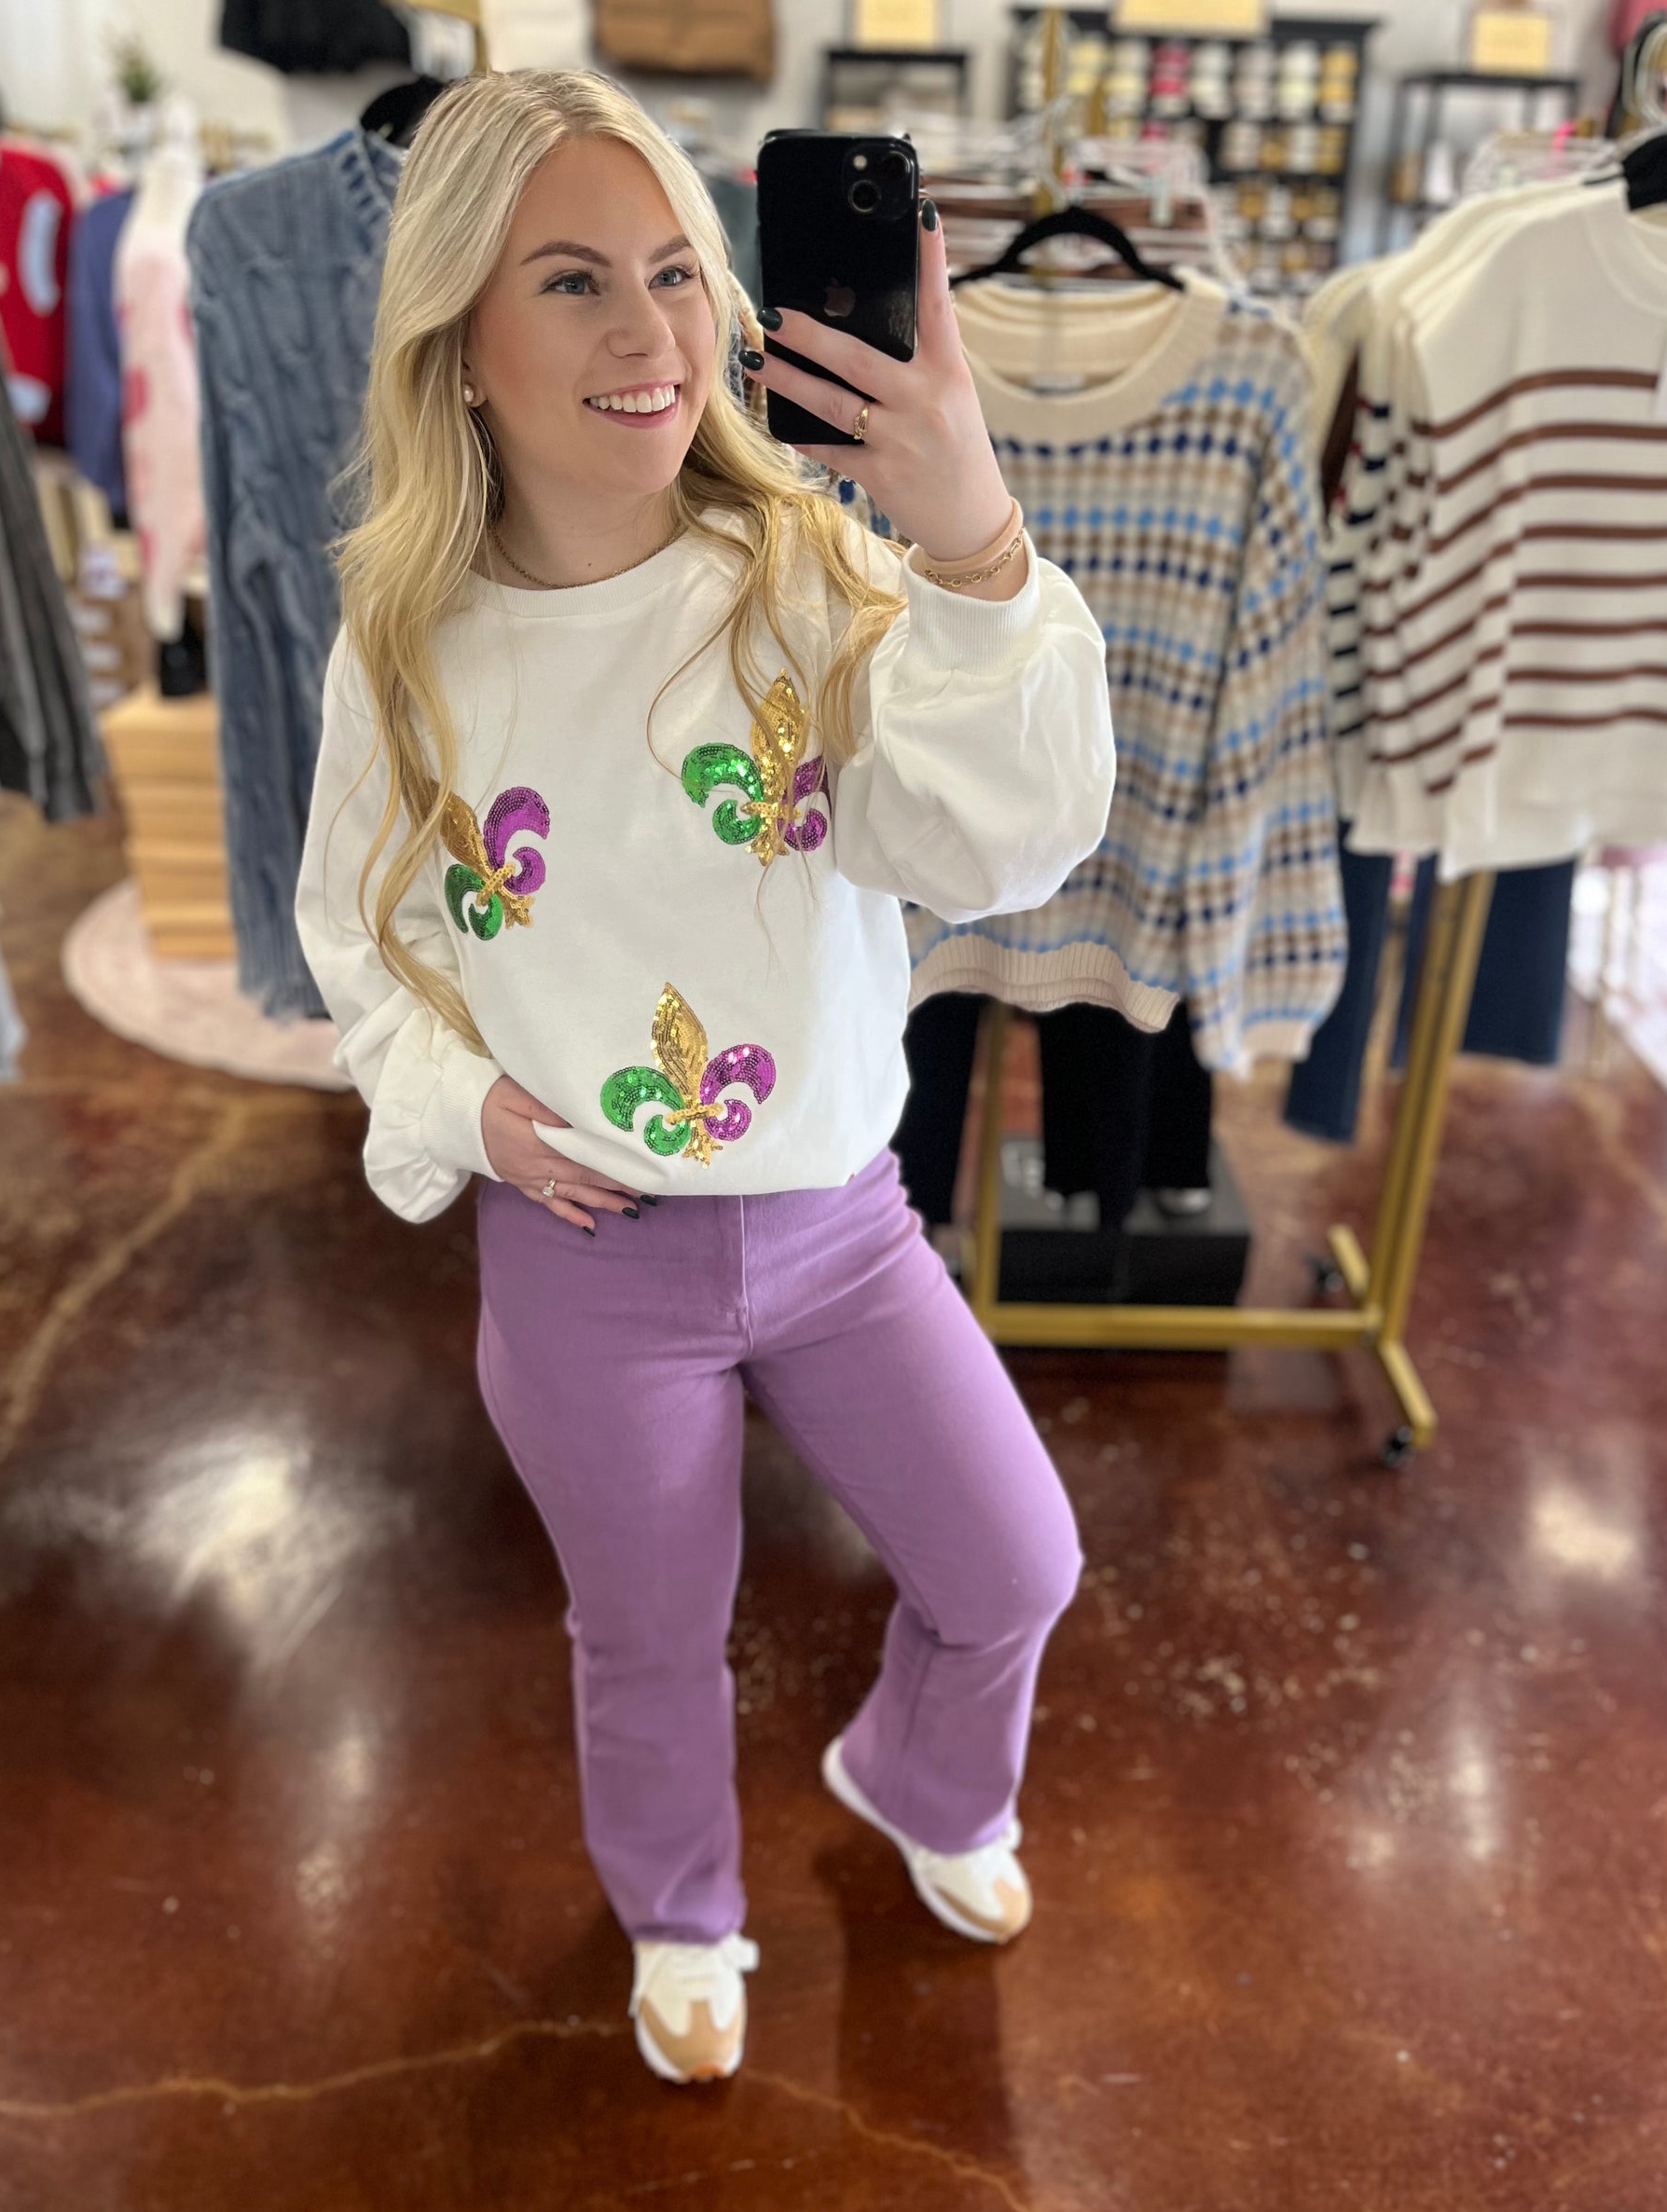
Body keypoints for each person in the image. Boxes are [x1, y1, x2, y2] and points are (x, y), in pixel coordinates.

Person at [295, 68, 1117, 2087]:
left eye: (676, 270)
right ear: (459, 346)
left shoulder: (808, 578)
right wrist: (462, 1107)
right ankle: (676, 1904)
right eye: (571, 280)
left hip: (842, 1222)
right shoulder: (403, 643)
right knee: (648, 1631)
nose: (648, 328)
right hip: (589, 1255)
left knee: (1015, 1559)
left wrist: (970, 538)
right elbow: (353, 935)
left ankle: (920, 1773)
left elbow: (1000, 844)